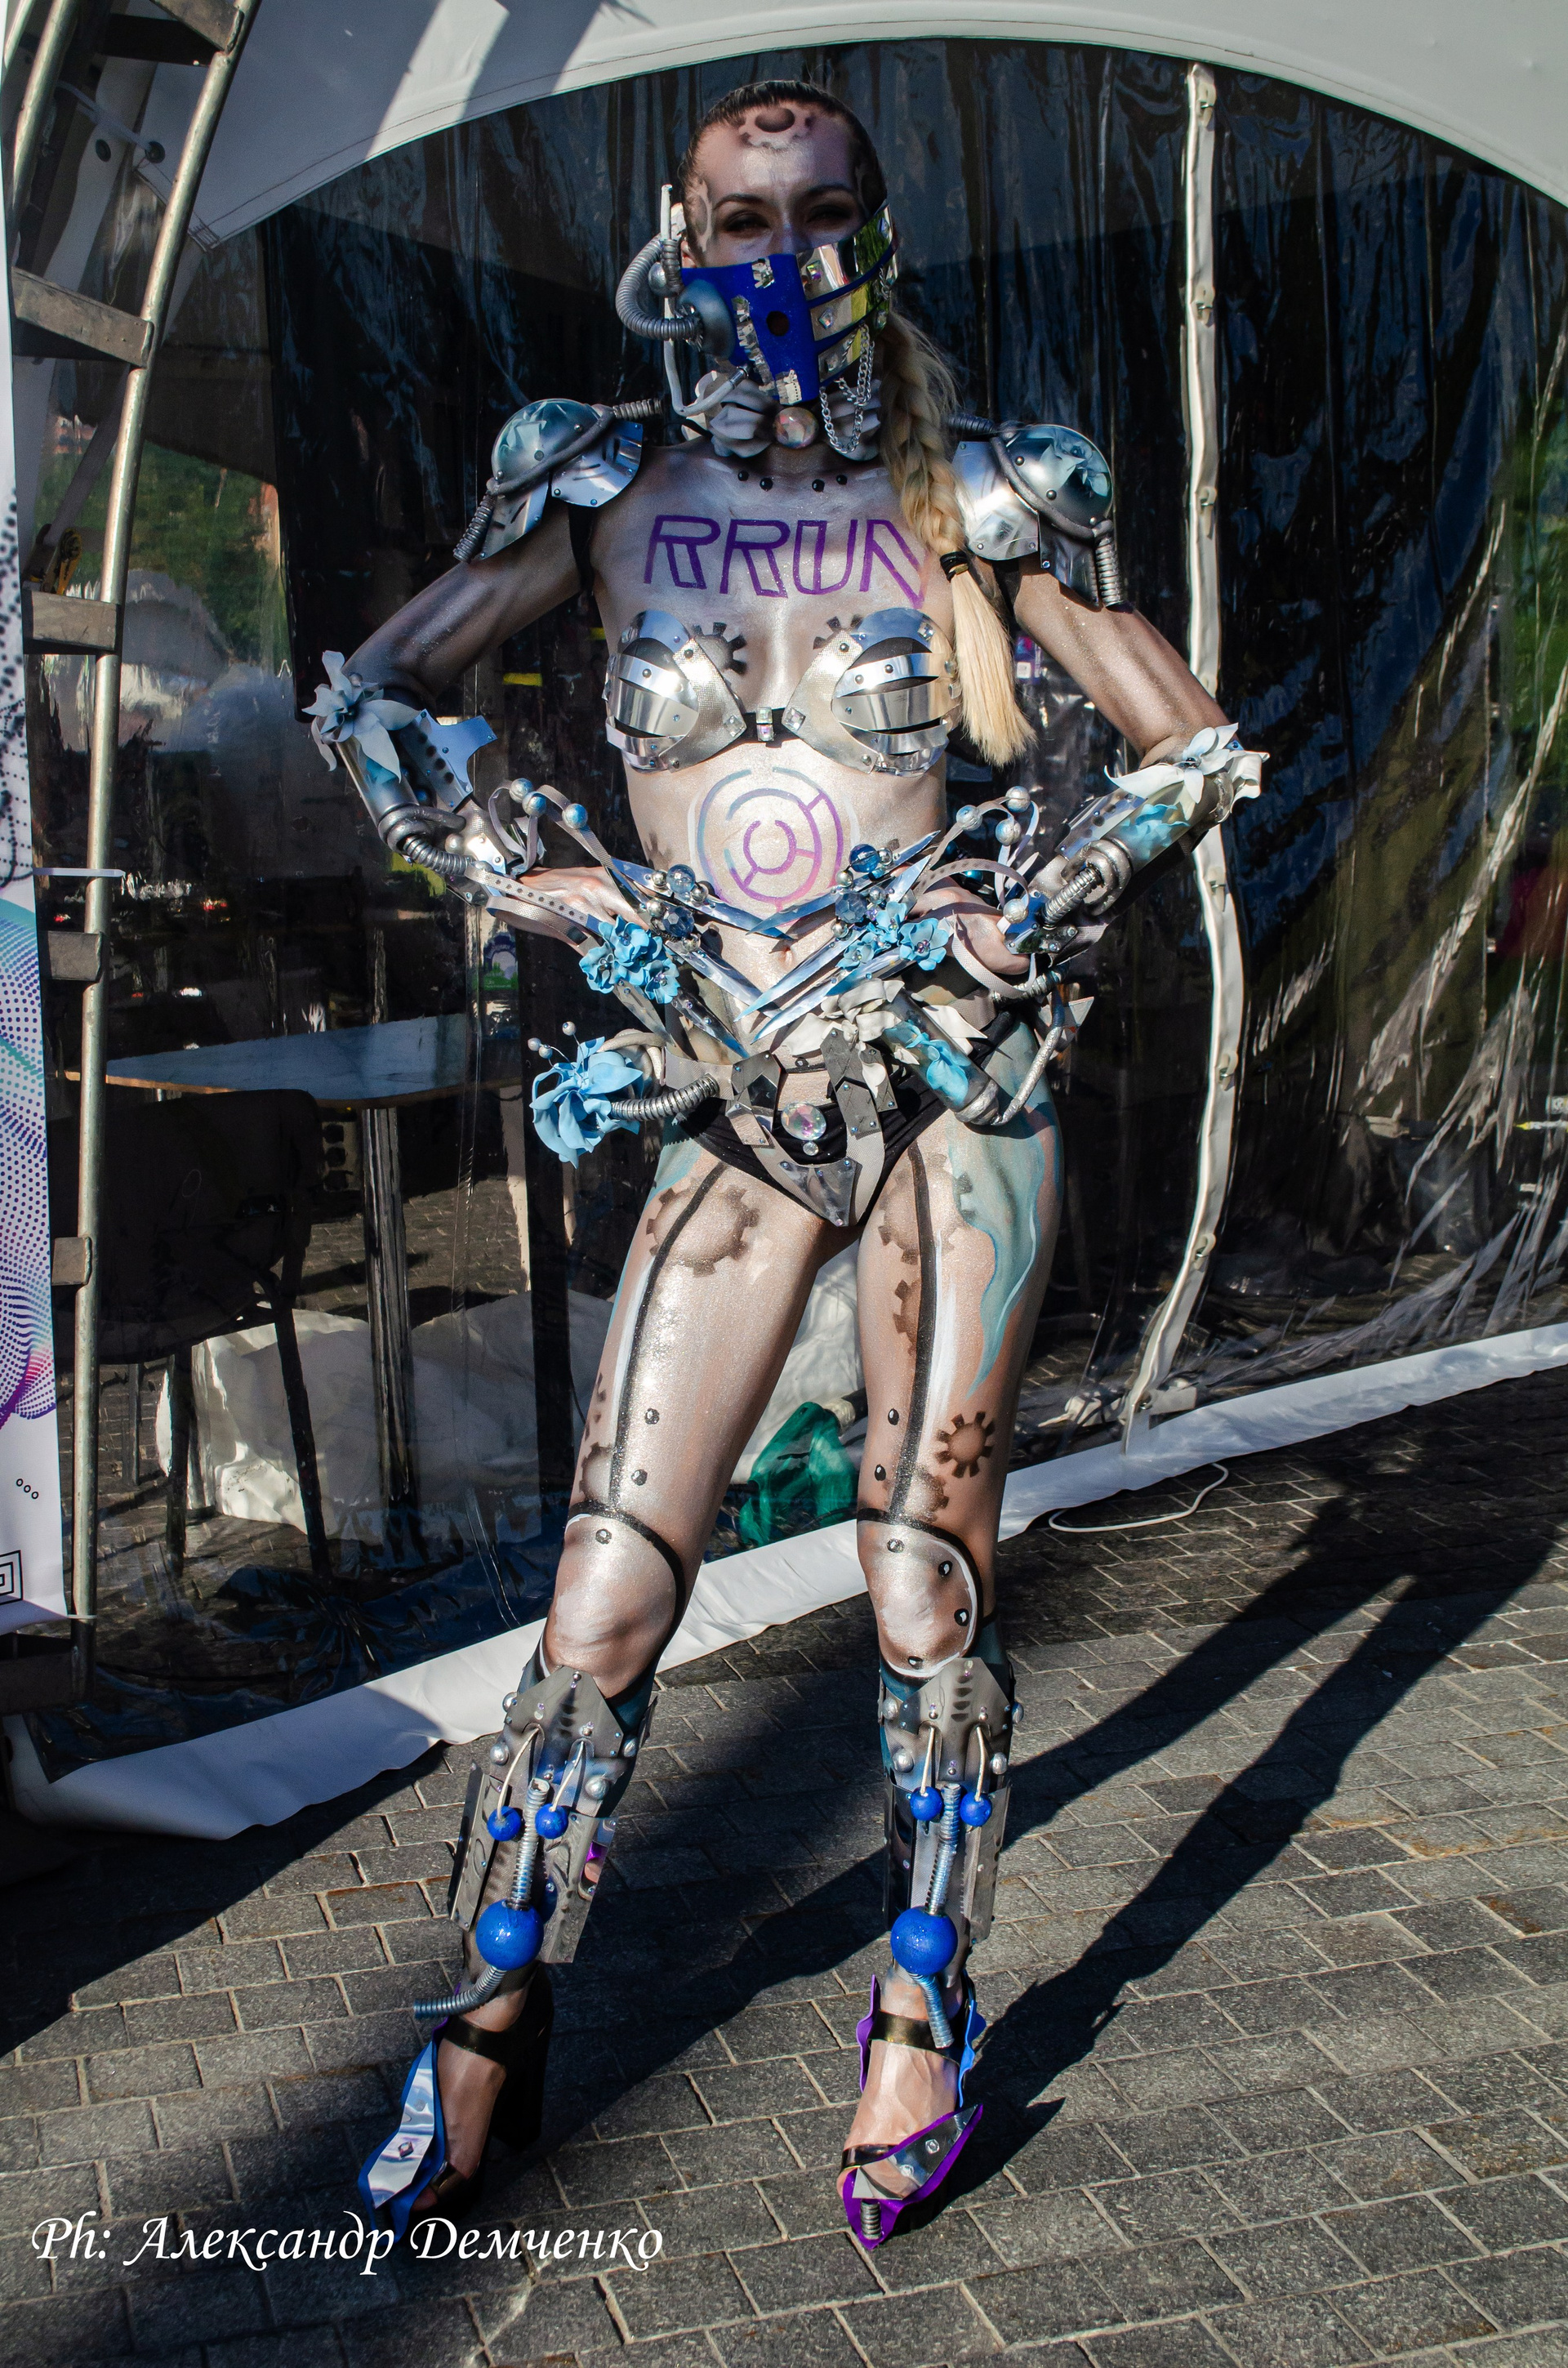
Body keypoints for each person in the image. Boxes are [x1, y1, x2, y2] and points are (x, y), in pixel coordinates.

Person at [315, 79, 1263, 2249]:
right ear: (678, 236)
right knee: (603, 1589)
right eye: (744, 218)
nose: (784, 257)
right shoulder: (603, 488)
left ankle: (924, 1996)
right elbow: (372, 699)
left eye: (824, 215)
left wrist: (1040, 892)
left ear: (877, 240)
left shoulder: (973, 493)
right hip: (731, 1097)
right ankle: (490, 2013)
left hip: (944, 1081)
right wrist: (540, 877)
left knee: (919, 1569)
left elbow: (1191, 743)